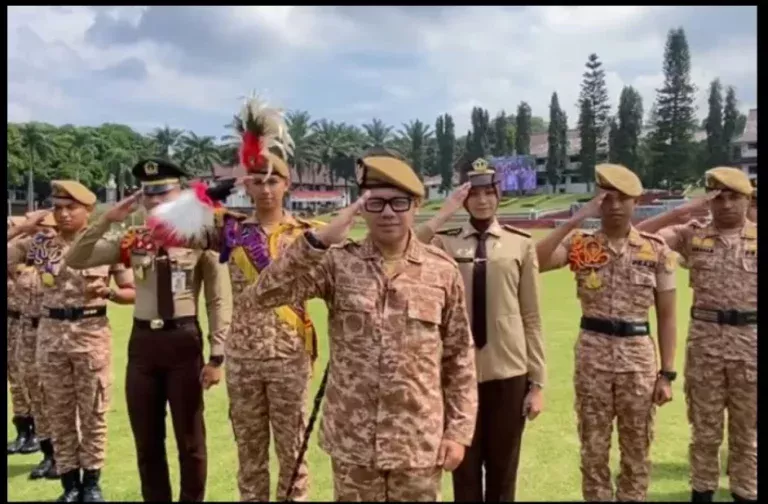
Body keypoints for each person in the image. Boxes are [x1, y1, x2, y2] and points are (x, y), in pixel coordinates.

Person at [244, 147, 478, 501]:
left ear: (416, 205)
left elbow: (460, 357)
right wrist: (317, 241)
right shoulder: (337, 263)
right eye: (376, 202)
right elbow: (264, 295)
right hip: (354, 444)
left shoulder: (442, 271)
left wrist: (458, 432)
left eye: (398, 202)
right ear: (361, 206)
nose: (387, 213)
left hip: (417, 442)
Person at [143, 99, 323, 501]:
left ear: (287, 184)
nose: (264, 188)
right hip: (243, 357)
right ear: (246, 184)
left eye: (273, 180)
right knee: (250, 452)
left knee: (294, 452)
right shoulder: (230, 230)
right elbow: (161, 230)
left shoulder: (309, 233)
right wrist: (204, 197)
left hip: (290, 355)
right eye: (256, 180)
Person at [65, 159, 233, 502]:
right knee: (146, 440)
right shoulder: (133, 239)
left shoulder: (201, 236)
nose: (155, 201)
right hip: (143, 345)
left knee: (190, 440)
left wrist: (217, 355)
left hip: (183, 342)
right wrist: (107, 219)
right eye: (148, 194)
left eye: (163, 193)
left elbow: (218, 299)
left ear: (182, 195)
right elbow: (77, 258)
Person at [535, 164, 677, 502]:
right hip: (593, 361)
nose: (614, 206)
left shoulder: (656, 250)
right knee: (593, 450)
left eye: (623, 199)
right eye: (607, 198)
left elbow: (668, 316)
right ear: (598, 202)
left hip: (638, 363)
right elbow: (536, 262)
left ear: (636, 202)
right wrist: (574, 220)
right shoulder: (581, 246)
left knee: (637, 449)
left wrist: (667, 373)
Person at [415, 158, 545, 502]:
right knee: (464, 470)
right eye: (474, 193)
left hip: (509, 371)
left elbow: (531, 316)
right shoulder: (444, 243)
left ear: (499, 195)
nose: (482, 200)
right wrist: (444, 212)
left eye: (489, 192)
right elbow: (410, 248)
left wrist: (538, 383)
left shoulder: (521, 244)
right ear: (464, 197)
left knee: (504, 472)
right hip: (458, 375)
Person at [7, 181, 136, 503]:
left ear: (88, 211)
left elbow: (131, 290)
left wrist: (110, 293)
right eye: (58, 208)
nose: (63, 214)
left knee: (93, 412)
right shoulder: (41, 245)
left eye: (71, 208)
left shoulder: (107, 245)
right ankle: (69, 483)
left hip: (91, 333)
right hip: (50, 336)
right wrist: (22, 227)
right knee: (58, 412)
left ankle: (91, 482)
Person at [636, 166, 757, 503]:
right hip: (706, 348)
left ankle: (746, 493)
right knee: (704, 434)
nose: (727, 205)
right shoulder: (693, 236)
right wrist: (679, 212)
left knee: (747, 436)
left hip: (750, 348)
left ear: (748, 200)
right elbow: (635, 238)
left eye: (735, 197)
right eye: (719, 198)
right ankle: (701, 494)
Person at [13, 211, 61, 480]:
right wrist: (22, 231)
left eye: (49, 227)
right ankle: (48, 453)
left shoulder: (66, 255)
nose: (44, 232)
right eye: (38, 228)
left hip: (53, 330)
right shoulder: (24, 255)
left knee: (58, 397)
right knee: (36, 396)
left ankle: (66, 458)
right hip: (27, 332)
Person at [7, 216, 37, 456]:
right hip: (11, 320)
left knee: (33, 380)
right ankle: (23, 431)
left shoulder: (39, 247)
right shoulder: (13, 252)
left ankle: (39, 431)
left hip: (30, 321)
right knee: (16, 380)